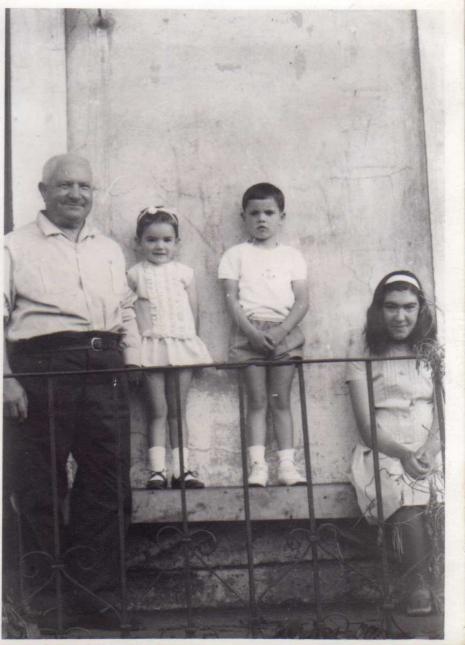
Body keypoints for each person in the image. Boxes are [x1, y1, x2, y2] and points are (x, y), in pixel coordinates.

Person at [3, 154, 140, 619]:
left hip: (105, 365)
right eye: (64, 185)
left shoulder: (109, 249)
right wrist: (6, 379)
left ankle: (96, 597)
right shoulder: (13, 247)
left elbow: (125, 309)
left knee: (108, 479)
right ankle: (45, 603)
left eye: (84, 186)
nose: (75, 194)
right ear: (43, 191)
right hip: (42, 365)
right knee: (39, 481)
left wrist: (132, 361)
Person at [346, 270, 444, 617]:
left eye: (408, 307)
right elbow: (365, 426)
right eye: (391, 307)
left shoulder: (433, 350)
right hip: (383, 448)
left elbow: (446, 409)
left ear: (420, 310)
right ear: (379, 309)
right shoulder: (361, 350)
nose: (400, 316)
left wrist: (430, 449)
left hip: (431, 445)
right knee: (404, 491)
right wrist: (403, 453)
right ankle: (418, 584)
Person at [218, 183, 309, 487]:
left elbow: (302, 301)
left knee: (280, 400)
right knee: (257, 401)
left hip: (284, 331)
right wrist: (252, 333)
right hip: (249, 333)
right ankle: (258, 467)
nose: (261, 219)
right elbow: (231, 300)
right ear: (243, 216)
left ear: (282, 216)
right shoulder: (235, 255)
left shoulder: (292, 256)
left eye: (269, 212)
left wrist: (282, 330)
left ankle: (287, 466)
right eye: (254, 213)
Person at [127, 206, 212, 490]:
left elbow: (195, 312)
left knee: (178, 409)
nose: (159, 246)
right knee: (158, 409)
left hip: (181, 346)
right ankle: (157, 471)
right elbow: (129, 315)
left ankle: (182, 470)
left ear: (177, 242)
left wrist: (194, 347)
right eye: (151, 239)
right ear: (139, 242)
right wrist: (134, 355)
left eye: (167, 240)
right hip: (151, 348)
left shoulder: (185, 273)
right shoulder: (135, 274)